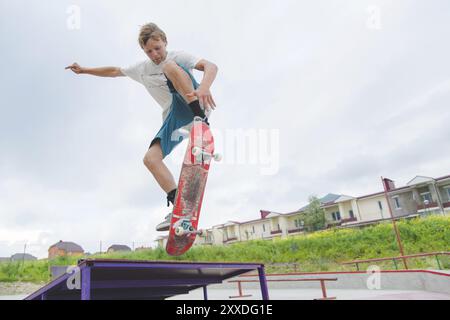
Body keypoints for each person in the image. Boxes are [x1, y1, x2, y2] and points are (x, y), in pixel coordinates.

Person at [66, 22, 218, 231]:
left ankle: (200, 120)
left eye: (158, 48)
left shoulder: (177, 56)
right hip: (174, 117)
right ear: (143, 51)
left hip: (193, 104)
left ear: (165, 42)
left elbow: (211, 66)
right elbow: (113, 71)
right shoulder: (141, 69)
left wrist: (204, 87)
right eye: (149, 51)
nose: (155, 54)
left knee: (169, 66)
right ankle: (180, 208)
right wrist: (84, 70)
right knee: (150, 159)